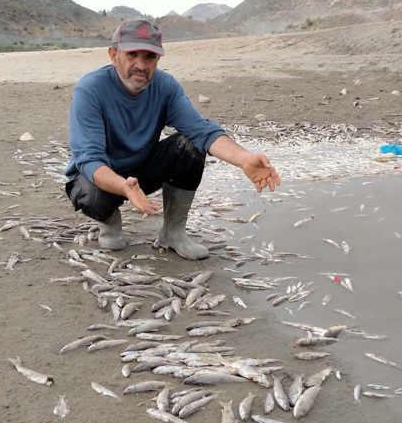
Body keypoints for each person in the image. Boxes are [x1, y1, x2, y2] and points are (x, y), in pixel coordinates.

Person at [64, 19, 281, 260]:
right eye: (132, 54)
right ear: (114, 55)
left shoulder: (166, 86)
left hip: (141, 170)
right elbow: (89, 159)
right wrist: (123, 186)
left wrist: (244, 159)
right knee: (93, 196)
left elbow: (202, 130)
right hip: (99, 176)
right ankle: (110, 221)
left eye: (149, 57)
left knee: (189, 145)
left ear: (158, 60)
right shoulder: (90, 89)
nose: (141, 65)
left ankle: (173, 233)